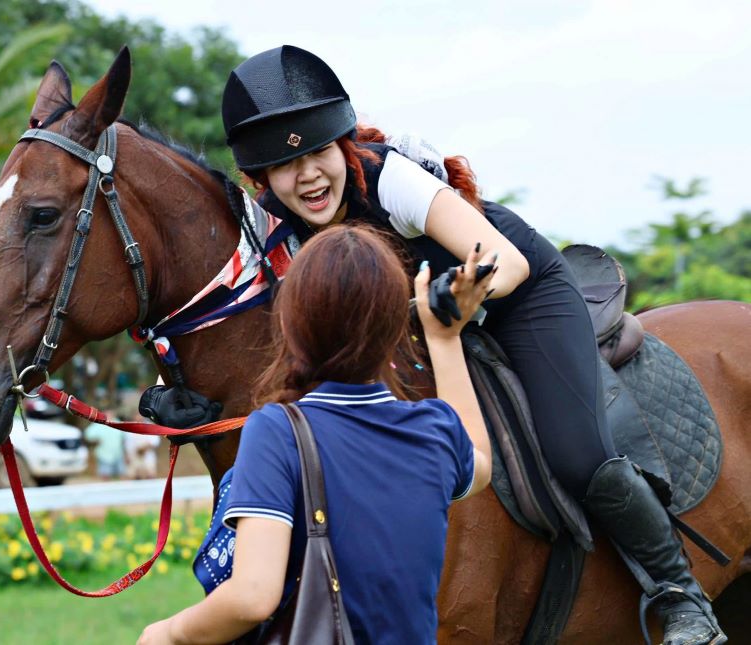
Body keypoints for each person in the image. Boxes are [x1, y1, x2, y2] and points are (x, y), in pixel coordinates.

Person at [213, 45, 725, 645]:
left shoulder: (390, 177)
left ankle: (680, 594)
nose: (308, 175)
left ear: (344, 145)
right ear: (260, 178)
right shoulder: (266, 225)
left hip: (519, 298)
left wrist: (436, 306)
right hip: (426, 327)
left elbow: (502, 264)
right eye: (284, 163)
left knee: (575, 450)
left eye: (320, 151)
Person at [138, 225, 492, 644]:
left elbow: (253, 597)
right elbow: (480, 461)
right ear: (396, 328)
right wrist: (445, 337)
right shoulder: (434, 429)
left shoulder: (276, 431)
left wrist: (169, 633)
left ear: (290, 322)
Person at [124, 415, 160, 480]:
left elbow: (155, 442)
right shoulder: (131, 426)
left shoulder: (150, 426)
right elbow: (128, 443)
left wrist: (144, 448)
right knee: (135, 475)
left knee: (150, 474)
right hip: (134, 454)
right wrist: (128, 455)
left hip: (148, 455)